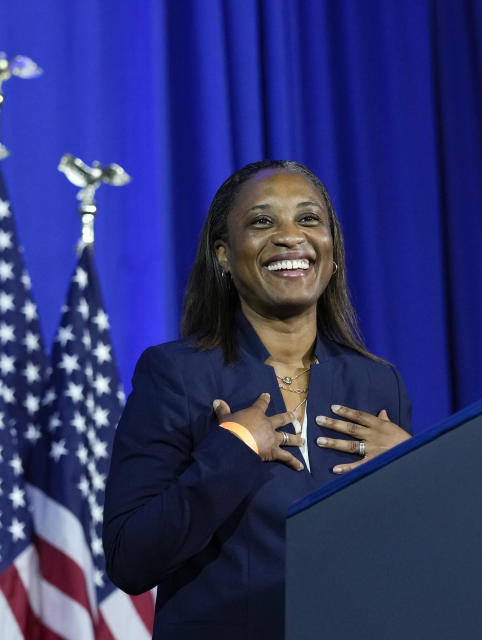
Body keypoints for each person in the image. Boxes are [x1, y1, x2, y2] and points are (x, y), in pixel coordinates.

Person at [103, 160, 412, 639]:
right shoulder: (178, 374)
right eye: (263, 221)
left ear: (332, 254)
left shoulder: (378, 384)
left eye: (309, 219)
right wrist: (233, 449)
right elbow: (130, 560)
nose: (291, 236)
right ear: (224, 255)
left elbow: (409, 558)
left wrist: (416, 476)